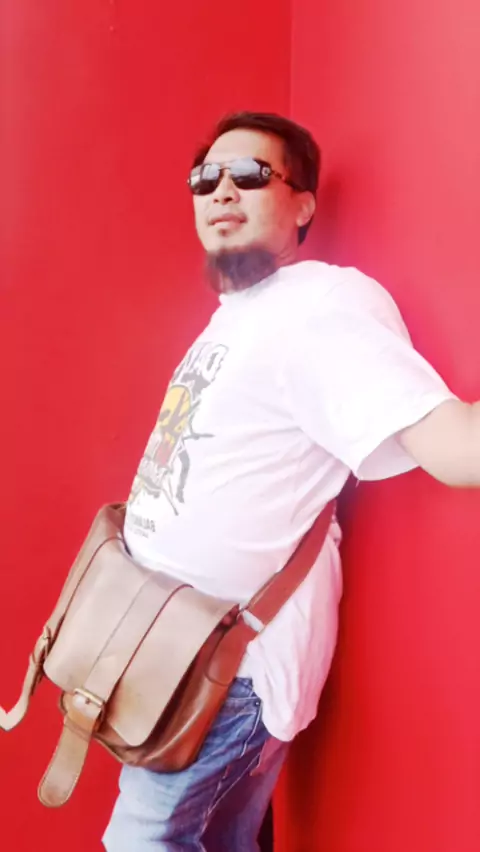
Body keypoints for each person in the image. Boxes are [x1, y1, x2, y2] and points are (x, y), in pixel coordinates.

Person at [103, 111, 477, 852]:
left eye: (249, 175)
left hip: (229, 670)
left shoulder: (321, 306)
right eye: (205, 178)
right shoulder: (238, 314)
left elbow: (456, 449)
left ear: (303, 204)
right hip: (166, 651)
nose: (221, 191)